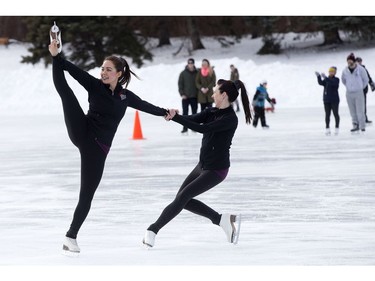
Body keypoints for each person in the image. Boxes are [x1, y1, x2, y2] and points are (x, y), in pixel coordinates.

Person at [48, 39, 168, 254]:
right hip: (82, 130)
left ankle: (70, 236)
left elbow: (145, 106)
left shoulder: (125, 96)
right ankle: (53, 57)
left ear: (119, 73)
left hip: (98, 148)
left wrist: (165, 112)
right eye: (102, 68)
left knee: (87, 194)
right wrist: (57, 56)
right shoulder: (95, 85)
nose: (103, 72)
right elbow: (71, 69)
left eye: (108, 69)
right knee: (66, 93)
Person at [142, 79, 252, 248]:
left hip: (217, 170)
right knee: (182, 199)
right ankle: (221, 219)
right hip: (202, 166)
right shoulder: (212, 111)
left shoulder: (230, 119)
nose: (212, 94)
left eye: (215, 91)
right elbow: (193, 118)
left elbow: (202, 128)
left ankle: (153, 230)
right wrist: (174, 115)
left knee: (182, 198)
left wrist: (176, 118)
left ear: (223, 95)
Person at [341, 53, 369, 133]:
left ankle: (362, 126)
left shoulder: (360, 69)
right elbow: (343, 80)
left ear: (353, 61)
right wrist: (349, 86)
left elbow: (365, 80)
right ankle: (355, 125)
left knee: (360, 110)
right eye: (348, 61)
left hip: (358, 92)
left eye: (350, 61)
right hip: (349, 93)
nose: (349, 63)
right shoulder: (345, 70)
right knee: (352, 111)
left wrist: (360, 87)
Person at [315, 67, 340, 135]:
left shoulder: (336, 79)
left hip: (334, 100)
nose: (331, 73)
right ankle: (327, 128)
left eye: (332, 72)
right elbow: (321, 83)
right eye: (330, 71)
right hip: (326, 100)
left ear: (335, 73)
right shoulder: (326, 79)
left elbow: (333, 84)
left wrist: (326, 78)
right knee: (327, 114)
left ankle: (337, 128)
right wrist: (318, 76)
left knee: (335, 113)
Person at [178, 58, 198, 134]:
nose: (190, 64)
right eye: (189, 63)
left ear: (193, 64)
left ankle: (194, 127)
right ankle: (185, 128)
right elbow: (180, 85)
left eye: (192, 63)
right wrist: (182, 94)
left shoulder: (197, 72)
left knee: (194, 113)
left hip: (194, 96)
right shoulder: (183, 73)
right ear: (187, 64)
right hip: (185, 97)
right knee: (185, 113)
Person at [355, 57, 375, 124]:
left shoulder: (364, 69)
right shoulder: (354, 69)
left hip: (364, 89)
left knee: (363, 104)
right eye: (358, 61)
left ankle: (364, 118)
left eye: (360, 61)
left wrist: (371, 83)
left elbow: (368, 77)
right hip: (357, 90)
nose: (359, 63)